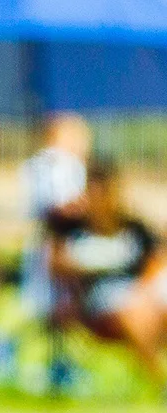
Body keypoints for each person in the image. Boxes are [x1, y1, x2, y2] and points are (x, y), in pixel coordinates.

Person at [49, 158, 167, 386]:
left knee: (145, 306)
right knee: (135, 312)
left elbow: (156, 261)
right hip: (99, 306)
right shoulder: (72, 229)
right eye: (95, 192)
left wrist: (142, 289)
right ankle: (159, 383)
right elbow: (56, 265)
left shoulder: (135, 228)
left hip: (143, 299)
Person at [20, 114, 91, 317]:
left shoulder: (35, 164)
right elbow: (60, 207)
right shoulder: (65, 163)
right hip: (60, 239)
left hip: (44, 238)